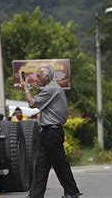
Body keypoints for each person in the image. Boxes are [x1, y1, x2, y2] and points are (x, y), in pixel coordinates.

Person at [20, 64, 81, 198]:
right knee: (41, 165)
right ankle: (35, 195)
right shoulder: (51, 88)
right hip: (48, 132)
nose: (36, 79)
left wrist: (25, 89)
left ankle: (72, 192)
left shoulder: (51, 89)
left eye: (38, 76)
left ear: (47, 77)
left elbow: (32, 103)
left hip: (52, 132)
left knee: (59, 163)